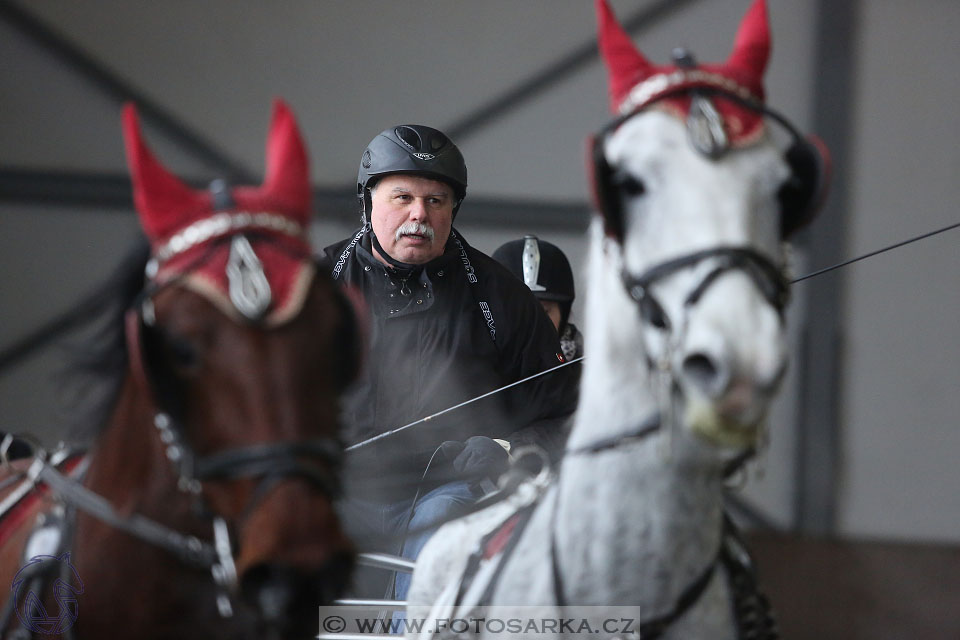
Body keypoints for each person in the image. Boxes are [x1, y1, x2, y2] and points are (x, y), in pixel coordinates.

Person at [319, 124, 577, 600]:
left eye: (436, 201)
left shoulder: (501, 296)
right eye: (402, 198)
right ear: (368, 201)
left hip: (447, 495)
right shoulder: (315, 288)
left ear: (453, 209)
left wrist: (506, 448)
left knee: (442, 542)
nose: (419, 215)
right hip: (338, 491)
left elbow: (565, 412)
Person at [492, 235, 583, 361]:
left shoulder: (592, 376)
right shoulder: (467, 369)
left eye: (544, 312)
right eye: (516, 312)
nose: (530, 326)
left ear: (564, 316)